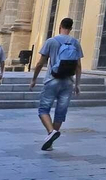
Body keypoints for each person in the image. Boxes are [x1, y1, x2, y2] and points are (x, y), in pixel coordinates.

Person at [28, 18, 82, 150]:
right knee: (60, 113)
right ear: (71, 28)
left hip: (52, 80)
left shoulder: (51, 41)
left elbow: (40, 63)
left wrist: (34, 79)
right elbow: (78, 66)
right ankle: (50, 142)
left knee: (43, 110)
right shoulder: (75, 43)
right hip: (68, 82)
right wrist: (77, 84)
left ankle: (51, 132)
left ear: (60, 26)